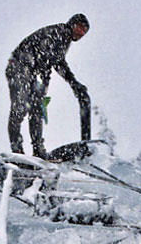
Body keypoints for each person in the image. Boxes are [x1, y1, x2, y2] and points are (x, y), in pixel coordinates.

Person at [6, 13, 91, 159]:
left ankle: (36, 149)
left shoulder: (64, 38)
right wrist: (47, 83)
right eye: (79, 27)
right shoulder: (59, 32)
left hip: (29, 71)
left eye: (84, 31)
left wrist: (74, 83)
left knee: (36, 109)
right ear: (72, 24)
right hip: (19, 67)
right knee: (21, 107)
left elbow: (57, 62)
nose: (81, 32)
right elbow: (48, 58)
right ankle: (18, 150)